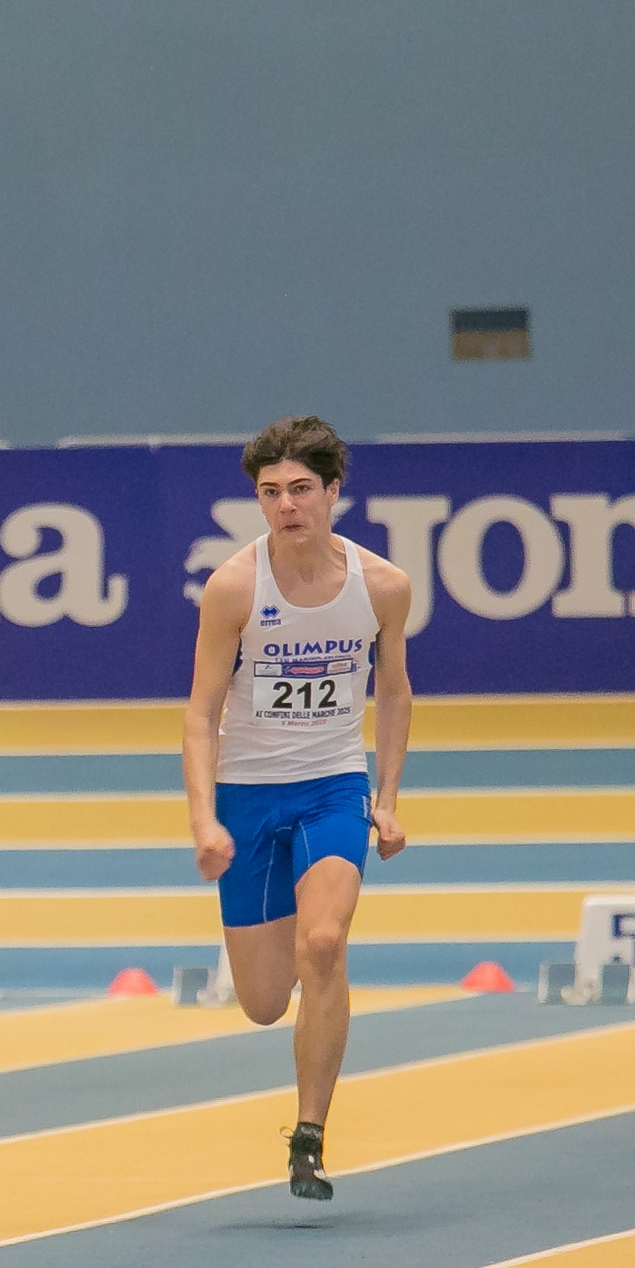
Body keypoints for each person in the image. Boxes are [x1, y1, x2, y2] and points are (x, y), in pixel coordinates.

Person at [182, 416, 414, 1201]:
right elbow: (200, 712)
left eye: (301, 489)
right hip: (248, 795)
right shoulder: (233, 588)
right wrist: (205, 819)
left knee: (323, 943)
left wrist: (387, 799)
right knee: (261, 1003)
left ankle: (309, 1134)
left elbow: (396, 692)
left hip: (332, 786)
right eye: (270, 492)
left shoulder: (382, 586)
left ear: (333, 492)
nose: (286, 505)